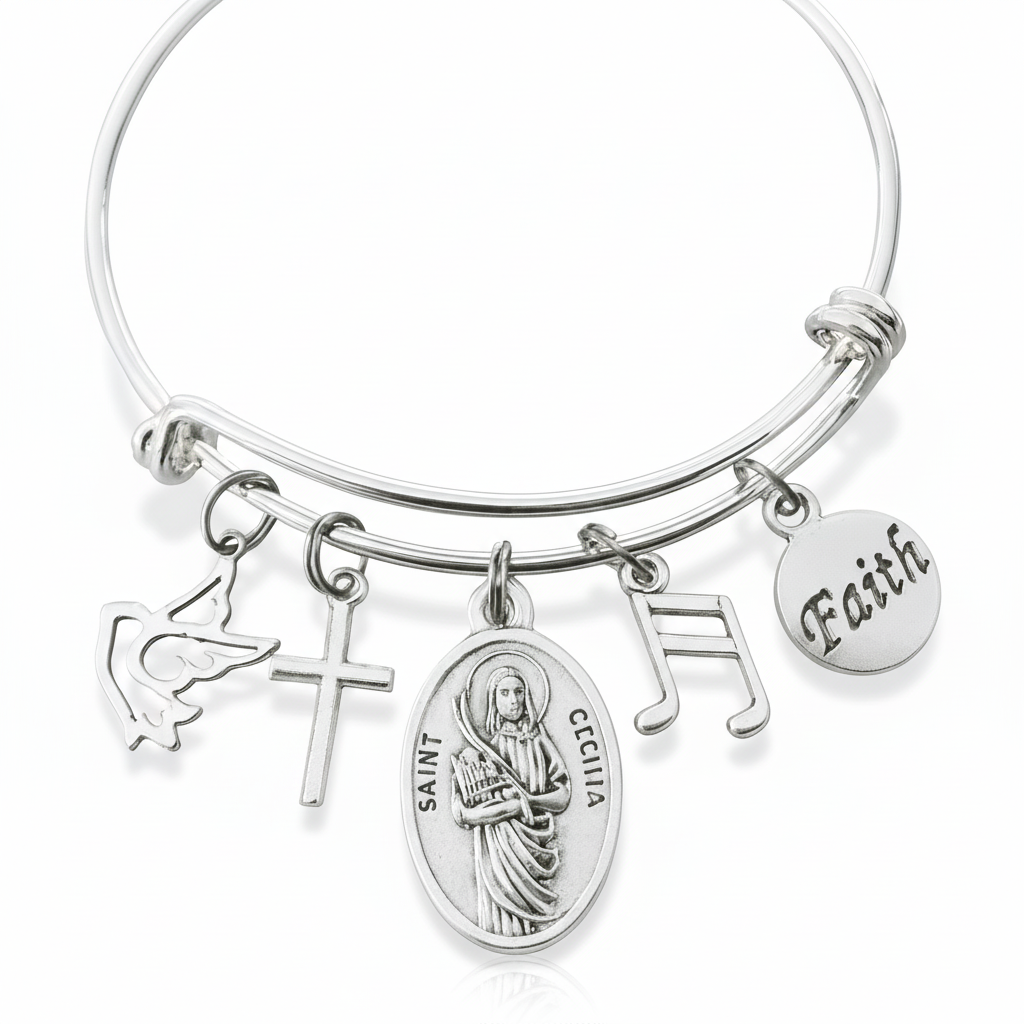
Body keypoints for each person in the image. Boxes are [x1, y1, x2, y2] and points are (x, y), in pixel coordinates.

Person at [451, 664, 571, 938]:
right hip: (498, 850)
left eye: (518, 692)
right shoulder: (486, 753)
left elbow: (563, 795)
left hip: (534, 843)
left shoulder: (538, 740)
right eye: (504, 693)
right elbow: (466, 806)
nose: (513, 700)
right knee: (502, 914)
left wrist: (529, 800)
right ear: (493, 699)